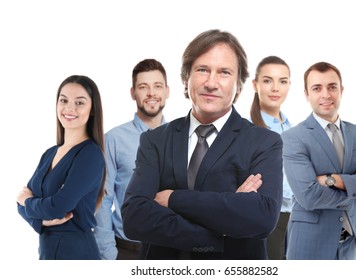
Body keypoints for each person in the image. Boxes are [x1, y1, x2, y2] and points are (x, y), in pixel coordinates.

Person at [121, 29, 283, 260]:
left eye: (224, 72)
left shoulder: (264, 142)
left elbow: (262, 218)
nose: (211, 83)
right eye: (202, 70)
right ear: (186, 80)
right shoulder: (155, 140)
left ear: (238, 84)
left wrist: (173, 199)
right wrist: (222, 231)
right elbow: (134, 219)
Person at [281, 61, 356, 260]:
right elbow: (309, 197)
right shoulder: (293, 137)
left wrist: (332, 180)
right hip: (310, 243)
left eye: (332, 87)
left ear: (341, 90)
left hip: (351, 240)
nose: (326, 95)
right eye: (317, 88)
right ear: (306, 94)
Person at [16, 75, 106, 260]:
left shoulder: (90, 154)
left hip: (77, 254)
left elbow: (58, 206)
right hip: (48, 252)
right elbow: (19, 205)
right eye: (63, 100)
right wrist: (42, 221)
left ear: (92, 110)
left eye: (79, 103)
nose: (69, 108)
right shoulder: (49, 154)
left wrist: (28, 202)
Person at [94, 59, 169, 260]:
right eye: (143, 87)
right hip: (128, 251)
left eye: (157, 86)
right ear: (133, 93)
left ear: (167, 92)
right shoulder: (113, 139)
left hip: (172, 248)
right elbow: (102, 199)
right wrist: (110, 256)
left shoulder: (183, 137)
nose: (151, 93)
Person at [250, 55, 293, 260]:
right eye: (268, 81)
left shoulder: (292, 129)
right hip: (266, 222)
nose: (275, 88)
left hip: (296, 220)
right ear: (255, 84)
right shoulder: (246, 129)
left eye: (282, 81)